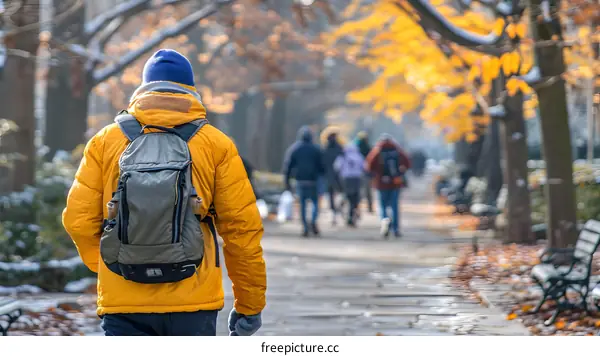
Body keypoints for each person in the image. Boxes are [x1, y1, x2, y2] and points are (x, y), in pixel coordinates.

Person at [62, 49, 266, 336]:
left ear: (143, 88)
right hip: (194, 299)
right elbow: (242, 230)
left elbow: (78, 220)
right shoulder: (215, 144)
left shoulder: (105, 142)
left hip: (124, 303)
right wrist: (250, 304)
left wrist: (118, 263)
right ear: (190, 90)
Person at [364, 133, 411, 238]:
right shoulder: (397, 150)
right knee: (394, 206)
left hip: (381, 183)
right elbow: (408, 163)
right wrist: (400, 172)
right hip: (395, 183)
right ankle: (396, 229)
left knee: (383, 206)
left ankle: (385, 220)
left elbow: (369, 166)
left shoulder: (377, 151)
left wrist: (376, 174)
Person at [283, 126, 325, 237]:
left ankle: (305, 227)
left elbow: (288, 166)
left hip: (300, 180)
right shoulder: (316, 149)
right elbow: (322, 166)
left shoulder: (294, 149)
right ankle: (313, 220)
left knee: (302, 205)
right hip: (313, 181)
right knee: (315, 203)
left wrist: (287, 181)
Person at [334, 143, 365, 227]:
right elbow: (364, 167)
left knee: (348, 196)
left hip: (346, 179)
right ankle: (351, 215)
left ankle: (343, 209)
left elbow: (336, 167)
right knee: (355, 198)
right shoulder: (359, 156)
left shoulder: (343, 156)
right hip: (356, 179)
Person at [322, 131, 344, 226]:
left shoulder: (325, 148)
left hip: (328, 175)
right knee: (340, 193)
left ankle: (333, 213)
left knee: (330, 195)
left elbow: (322, 162)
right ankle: (338, 209)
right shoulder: (340, 148)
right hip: (339, 175)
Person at [354, 131, 374, 213]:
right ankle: (369, 207)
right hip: (366, 173)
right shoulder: (369, 148)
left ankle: (356, 207)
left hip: (356, 173)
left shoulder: (355, 147)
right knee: (368, 191)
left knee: (358, 191)